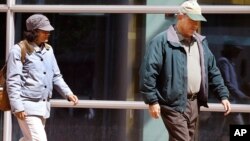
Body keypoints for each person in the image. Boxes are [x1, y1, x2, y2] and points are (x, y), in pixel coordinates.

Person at [139, 1, 231, 141]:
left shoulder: (201, 43)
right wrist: (152, 101)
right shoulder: (162, 42)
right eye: (192, 20)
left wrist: (223, 95)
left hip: (194, 103)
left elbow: (212, 70)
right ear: (180, 17)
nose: (196, 25)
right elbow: (148, 72)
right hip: (172, 104)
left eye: (198, 21)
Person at [6, 14, 79, 141]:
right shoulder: (18, 50)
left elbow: (56, 76)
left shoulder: (48, 50)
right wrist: (17, 106)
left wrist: (67, 93)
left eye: (48, 30)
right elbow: (13, 81)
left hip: (43, 107)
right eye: (44, 31)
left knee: (30, 139)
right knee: (39, 139)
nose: (48, 33)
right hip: (26, 106)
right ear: (33, 31)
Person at [217, 42, 249, 140]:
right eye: (236, 51)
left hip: (231, 102)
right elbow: (227, 83)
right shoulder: (223, 62)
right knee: (239, 129)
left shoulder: (230, 63)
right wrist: (242, 96)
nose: (237, 53)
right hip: (228, 102)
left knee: (221, 131)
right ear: (229, 51)